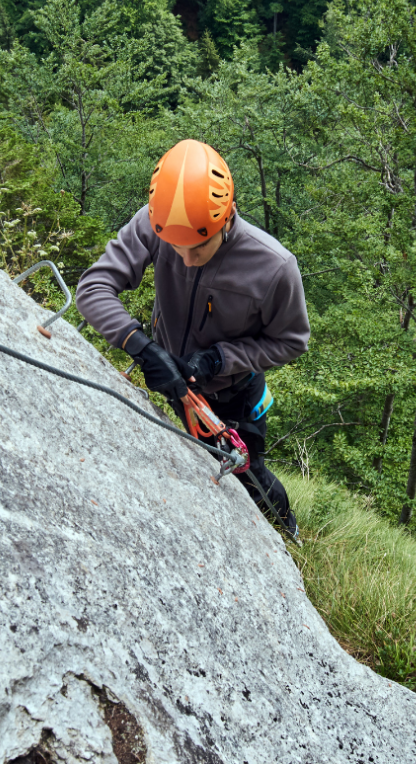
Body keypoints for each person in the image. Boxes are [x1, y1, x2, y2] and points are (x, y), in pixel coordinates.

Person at [75, 139, 310, 538]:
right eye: (174, 246)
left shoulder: (273, 267)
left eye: (198, 248)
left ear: (227, 217)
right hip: (172, 378)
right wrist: (142, 347)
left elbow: (291, 341)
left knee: (248, 474)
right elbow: (93, 288)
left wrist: (220, 359)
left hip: (233, 394)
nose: (183, 258)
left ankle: (288, 533)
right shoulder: (156, 222)